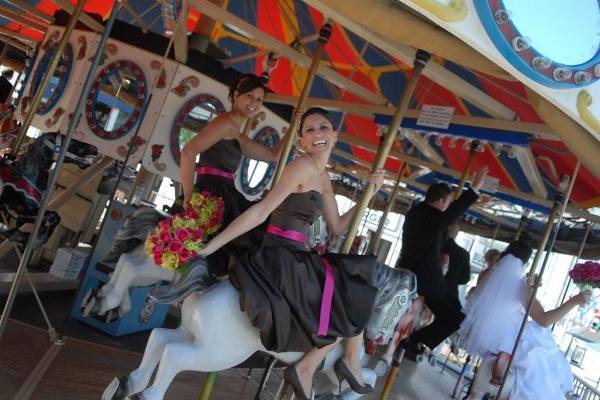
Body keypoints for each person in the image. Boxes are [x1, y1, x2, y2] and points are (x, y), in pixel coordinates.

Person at [199, 108, 385, 399]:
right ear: (302, 140)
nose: (317, 134)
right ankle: (318, 366)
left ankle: (318, 365)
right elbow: (261, 211)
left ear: (335, 136)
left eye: (323, 127)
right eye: (309, 130)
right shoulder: (301, 167)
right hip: (281, 255)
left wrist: (367, 196)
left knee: (353, 281)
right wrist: (213, 245)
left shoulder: (322, 176)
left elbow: (337, 226)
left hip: (298, 254)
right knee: (349, 287)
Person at [176, 73, 289, 276]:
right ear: (236, 95)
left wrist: (292, 130)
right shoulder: (225, 124)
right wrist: (188, 195)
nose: (254, 103)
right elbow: (188, 152)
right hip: (214, 191)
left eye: (259, 100)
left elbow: (272, 156)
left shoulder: (236, 133)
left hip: (224, 192)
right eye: (250, 96)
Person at [459, 240, 590, 399]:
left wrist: (530, 288)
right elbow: (544, 319)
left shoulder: (485, 275)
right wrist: (573, 301)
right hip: (509, 338)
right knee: (542, 347)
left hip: (487, 337)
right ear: (526, 262)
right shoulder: (521, 285)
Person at [396, 171, 488, 357]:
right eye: (447, 202)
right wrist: (474, 190)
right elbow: (452, 214)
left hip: (409, 271)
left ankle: (413, 340)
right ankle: (413, 340)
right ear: (441, 202)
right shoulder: (430, 216)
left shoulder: (416, 212)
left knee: (451, 312)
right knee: (456, 319)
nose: (446, 207)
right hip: (425, 280)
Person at [442, 223, 471, 302]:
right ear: (456, 234)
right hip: (449, 294)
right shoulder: (463, 254)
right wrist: (452, 280)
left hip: (425, 289)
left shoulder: (434, 246)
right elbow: (465, 279)